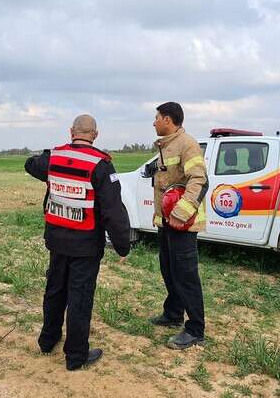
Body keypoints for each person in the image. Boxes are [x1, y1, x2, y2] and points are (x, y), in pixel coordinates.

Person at [25, 114, 130, 370]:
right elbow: (113, 211)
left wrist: (54, 153)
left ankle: (47, 341)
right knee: (79, 298)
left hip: (57, 240)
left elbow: (30, 164)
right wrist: (122, 245)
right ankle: (75, 356)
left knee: (55, 291)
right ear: (95, 135)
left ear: (71, 131)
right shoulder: (101, 164)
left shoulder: (54, 158)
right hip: (85, 246)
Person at [149, 102, 208, 349]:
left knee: (186, 276)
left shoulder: (187, 144)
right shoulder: (167, 145)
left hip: (182, 225)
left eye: (157, 118)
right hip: (167, 223)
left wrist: (181, 214)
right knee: (169, 269)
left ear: (168, 120)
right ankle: (173, 314)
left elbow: (199, 179)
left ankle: (195, 329)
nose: (154, 123)